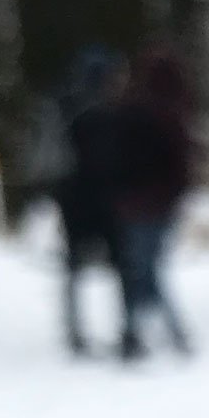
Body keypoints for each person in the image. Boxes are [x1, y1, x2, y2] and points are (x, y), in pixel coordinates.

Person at [111, 48, 198, 360]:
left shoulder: (132, 112)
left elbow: (117, 160)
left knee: (142, 270)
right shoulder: (175, 114)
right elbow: (182, 166)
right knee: (148, 269)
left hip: (135, 204)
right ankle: (167, 332)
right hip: (158, 204)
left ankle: (143, 331)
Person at [48, 48, 129, 357]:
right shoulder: (106, 113)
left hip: (72, 200)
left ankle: (75, 331)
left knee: (73, 269)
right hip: (103, 201)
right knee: (120, 268)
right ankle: (125, 329)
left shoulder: (63, 106)